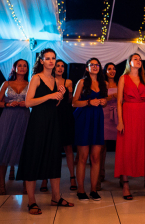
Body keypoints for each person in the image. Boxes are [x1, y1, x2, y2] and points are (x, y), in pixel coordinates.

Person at [16, 48, 74, 215]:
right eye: (47, 58)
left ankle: (56, 197)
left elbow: (53, 104)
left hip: (53, 122)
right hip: (37, 122)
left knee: (54, 158)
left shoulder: (56, 81)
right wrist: (50, 96)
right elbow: (28, 103)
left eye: (53, 58)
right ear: (41, 61)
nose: (51, 61)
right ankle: (31, 201)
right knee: (34, 158)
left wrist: (59, 96)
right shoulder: (36, 78)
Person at [115, 53, 145, 200]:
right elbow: (119, 101)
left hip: (142, 115)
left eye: (140, 59)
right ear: (129, 62)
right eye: (135, 59)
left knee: (143, 147)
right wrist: (120, 121)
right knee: (127, 148)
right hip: (128, 114)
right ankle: (125, 184)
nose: (138, 61)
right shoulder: (123, 78)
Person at [0, 59, 30, 195]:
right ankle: (1, 183)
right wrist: (7, 104)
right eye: (20, 65)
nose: (22, 68)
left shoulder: (30, 84)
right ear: (14, 68)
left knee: (24, 148)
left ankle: (25, 182)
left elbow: (34, 102)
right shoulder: (6, 84)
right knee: (4, 147)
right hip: (8, 117)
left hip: (24, 117)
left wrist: (27, 103)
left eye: (25, 66)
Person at [73, 58, 107, 202]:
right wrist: (88, 102)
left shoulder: (103, 83)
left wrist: (103, 102)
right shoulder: (81, 82)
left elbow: (103, 100)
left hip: (97, 119)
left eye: (97, 65)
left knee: (96, 157)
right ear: (87, 68)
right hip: (84, 119)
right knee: (83, 157)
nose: (95, 67)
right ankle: (81, 190)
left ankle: (93, 190)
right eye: (92, 65)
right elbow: (74, 102)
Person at [40, 59, 76, 193]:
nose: (60, 68)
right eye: (58, 66)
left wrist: (69, 93)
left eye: (62, 66)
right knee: (49, 148)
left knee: (68, 148)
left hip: (65, 116)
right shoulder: (48, 80)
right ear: (53, 67)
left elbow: (71, 101)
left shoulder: (68, 82)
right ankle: (44, 178)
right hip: (51, 115)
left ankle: (73, 177)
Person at [99, 62, 118, 187]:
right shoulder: (102, 84)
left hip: (117, 115)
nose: (112, 71)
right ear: (105, 71)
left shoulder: (120, 83)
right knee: (102, 147)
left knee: (120, 146)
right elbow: (101, 99)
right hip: (105, 114)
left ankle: (121, 174)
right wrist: (112, 96)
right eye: (109, 69)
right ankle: (100, 174)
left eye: (113, 69)